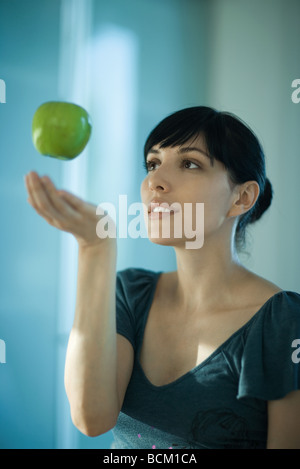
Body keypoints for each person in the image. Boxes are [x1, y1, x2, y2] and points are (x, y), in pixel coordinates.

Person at [24, 106, 300, 449]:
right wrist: (95, 248)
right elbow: (90, 418)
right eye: (153, 164)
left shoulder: (283, 321)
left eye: (190, 163)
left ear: (241, 198)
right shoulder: (130, 294)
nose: (155, 181)